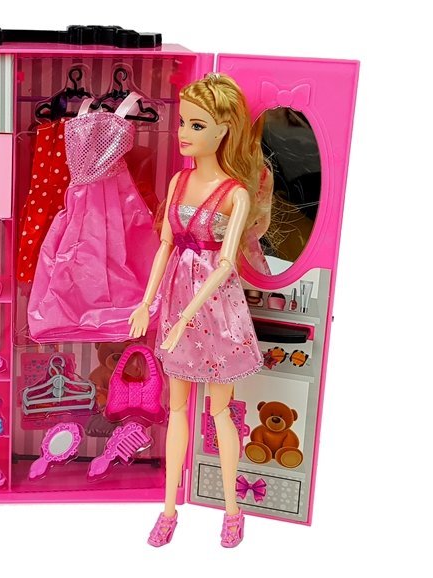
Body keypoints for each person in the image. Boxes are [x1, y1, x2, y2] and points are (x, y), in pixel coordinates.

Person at [128, 73, 270, 548]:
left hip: (216, 310)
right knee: (177, 408)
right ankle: (169, 508)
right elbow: (166, 245)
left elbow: (226, 263)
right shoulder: (179, 181)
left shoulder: (235, 193)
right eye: (183, 122)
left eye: (197, 124)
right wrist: (147, 303)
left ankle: (232, 510)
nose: (183, 133)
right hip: (175, 301)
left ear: (223, 131)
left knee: (220, 410)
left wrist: (184, 318)